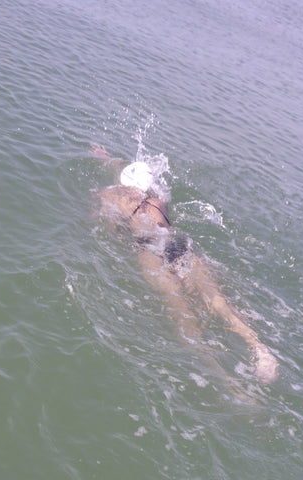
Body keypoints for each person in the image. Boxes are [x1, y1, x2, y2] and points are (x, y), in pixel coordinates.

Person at [90, 143, 279, 385]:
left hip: (148, 248)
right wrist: (110, 159)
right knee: (218, 300)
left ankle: (228, 383)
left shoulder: (110, 194)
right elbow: (134, 176)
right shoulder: (159, 199)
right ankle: (260, 349)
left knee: (183, 314)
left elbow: (109, 228)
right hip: (178, 245)